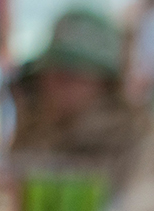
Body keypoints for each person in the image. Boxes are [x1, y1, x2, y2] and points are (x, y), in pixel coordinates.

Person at [9, 8, 139, 184]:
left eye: (71, 77)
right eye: (49, 73)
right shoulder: (34, 131)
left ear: (105, 85)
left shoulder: (131, 144)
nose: (54, 85)